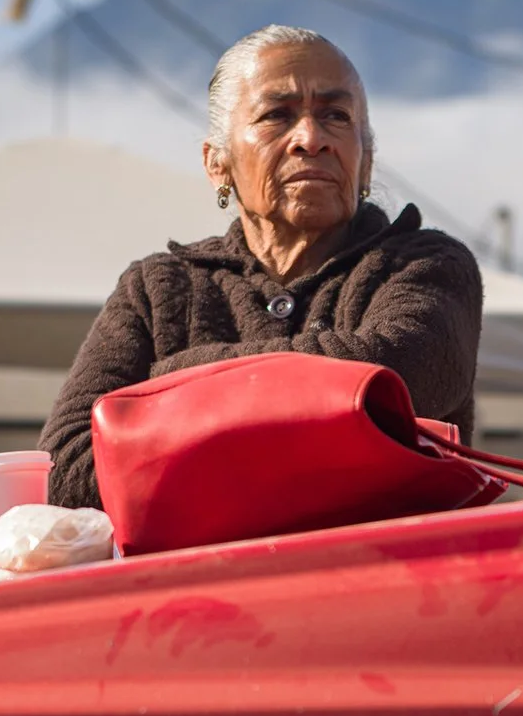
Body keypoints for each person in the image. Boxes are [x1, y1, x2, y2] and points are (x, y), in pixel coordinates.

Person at [44, 27, 484, 511]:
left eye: (336, 116)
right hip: (200, 584)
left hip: (388, 580)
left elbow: (393, 382)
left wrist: (166, 381)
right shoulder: (155, 290)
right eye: (277, 115)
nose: (311, 139)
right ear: (217, 163)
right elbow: (67, 469)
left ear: (367, 162)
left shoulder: (426, 265)